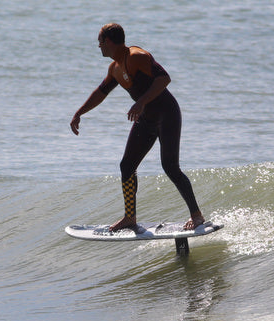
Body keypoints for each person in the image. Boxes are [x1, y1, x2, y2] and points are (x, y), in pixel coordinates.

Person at [70, 23, 205, 232]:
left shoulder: (137, 56)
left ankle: (196, 216)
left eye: (99, 42)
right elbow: (101, 92)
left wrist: (141, 102)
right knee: (127, 166)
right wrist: (79, 113)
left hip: (167, 115)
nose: (98, 47)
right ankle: (130, 217)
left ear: (107, 41)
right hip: (146, 120)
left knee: (170, 166)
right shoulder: (114, 68)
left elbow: (164, 78)